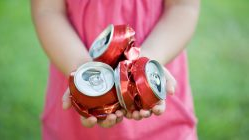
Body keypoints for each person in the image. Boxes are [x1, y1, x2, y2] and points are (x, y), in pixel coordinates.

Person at [31, 0, 200, 139]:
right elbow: (47, 10)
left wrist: (147, 62)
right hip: (71, 69)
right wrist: (82, 70)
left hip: (162, 112)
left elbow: (183, 6)